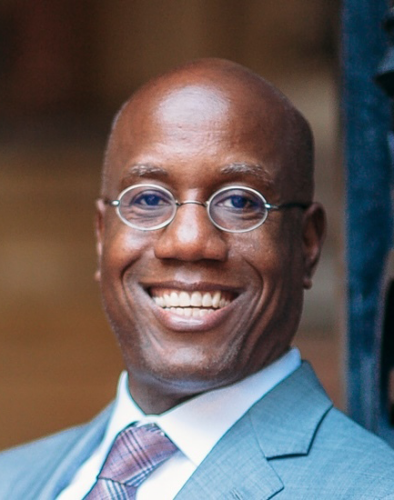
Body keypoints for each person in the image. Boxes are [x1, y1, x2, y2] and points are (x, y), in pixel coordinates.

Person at [1, 58, 394, 500]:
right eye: (148, 198)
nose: (188, 242)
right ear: (100, 235)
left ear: (307, 244)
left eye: (241, 202)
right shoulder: (10, 477)